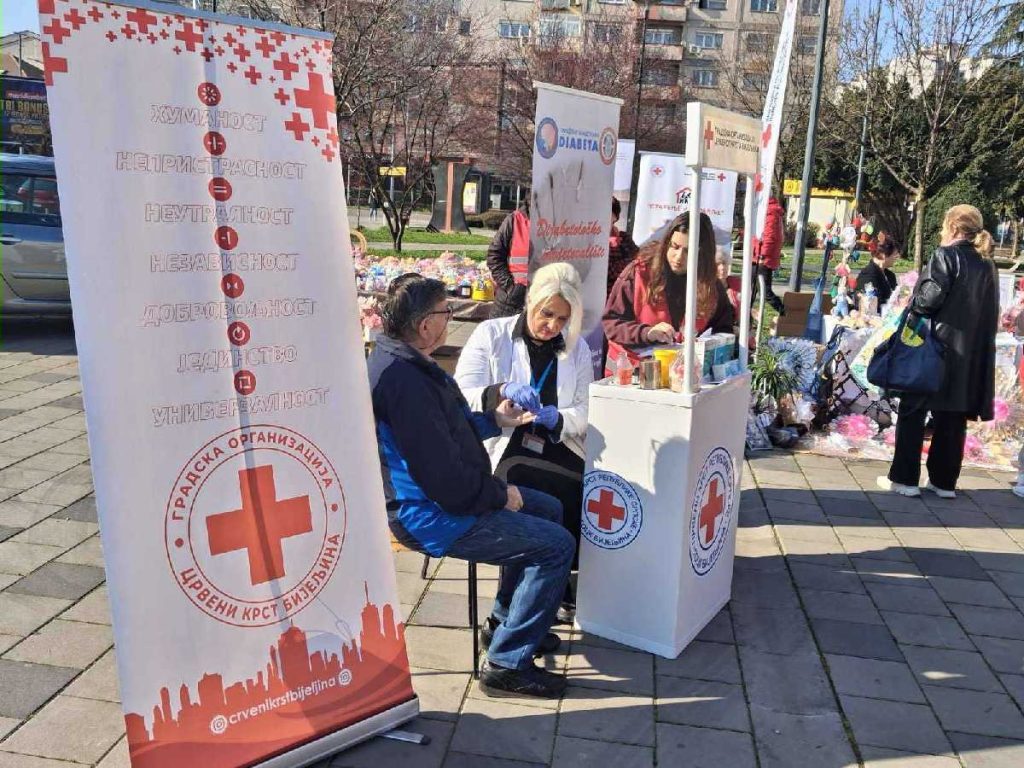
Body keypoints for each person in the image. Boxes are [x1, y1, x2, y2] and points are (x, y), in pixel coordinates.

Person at [368, 274, 574, 698]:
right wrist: (499, 495)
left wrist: (494, 420)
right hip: (429, 516)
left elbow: (447, 436)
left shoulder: (406, 361)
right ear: (426, 325)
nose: (449, 319)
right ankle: (507, 663)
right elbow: (443, 479)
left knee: (550, 510)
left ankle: (506, 624)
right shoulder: (404, 382)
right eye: (446, 312)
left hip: (446, 500)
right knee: (556, 545)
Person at [455, 263, 592, 622]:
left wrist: (558, 418)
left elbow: (585, 409)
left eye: (563, 319)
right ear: (530, 300)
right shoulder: (491, 334)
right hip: (502, 443)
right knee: (529, 491)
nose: (553, 326)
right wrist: (500, 391)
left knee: (583, 489)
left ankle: (544, 590)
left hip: (557, 443)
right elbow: (460, 395)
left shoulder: (576, 348)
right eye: (547, 314)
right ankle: (513, 608)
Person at [879, 205, 997, 498]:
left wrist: (912, 301)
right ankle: (943, 482)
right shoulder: (987, 264)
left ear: (954, 227)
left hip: (932, 349)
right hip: (967, 354)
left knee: (913, 411)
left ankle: (904, 479)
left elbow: (927, 301)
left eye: (944, 225)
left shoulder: (946, 256)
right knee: (952, 417)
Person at [603, 211, 735, 368]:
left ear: (702, 255)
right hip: (632, 370)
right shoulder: (639, 272)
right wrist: (647, 333)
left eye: (688, 251)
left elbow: (723, 330)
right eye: (675, 247)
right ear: (667, 243)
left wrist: (706, 345)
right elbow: (611, 323)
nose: (678, 257)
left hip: (683, 373)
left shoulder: (711, 286)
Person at [486, 201, 532, 318]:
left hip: (545, 300)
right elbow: (494, 255)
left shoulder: (558, 225)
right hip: (511, 302)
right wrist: (510, 287)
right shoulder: (514, 220)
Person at [751, 196, 785, 314]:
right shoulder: (769, 211)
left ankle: (784, 312)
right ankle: (744, 317)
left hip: (763, 258)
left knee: (765, 292)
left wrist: (762, 256)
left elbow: (769, 237)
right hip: (758, 256)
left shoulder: (770, 212)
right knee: (750, 290)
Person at [855, 238, 899, 309]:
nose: (897, 257)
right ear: (883, 255)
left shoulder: (890, 275)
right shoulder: (868, 274)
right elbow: (868, 303)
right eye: (895, 254)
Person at [607, 197, 639, 294]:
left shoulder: (625, 238)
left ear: (615, 217)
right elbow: (606, 270)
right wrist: (628, 264)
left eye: (607, 211)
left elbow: (639, 262)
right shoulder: (592, 241)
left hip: (622, 295)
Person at [716, 248, 742, 318]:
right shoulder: (708, 287)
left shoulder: (736, 283)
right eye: (718, 264)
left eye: (724, 263)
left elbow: (743, 307)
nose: (722, 267)